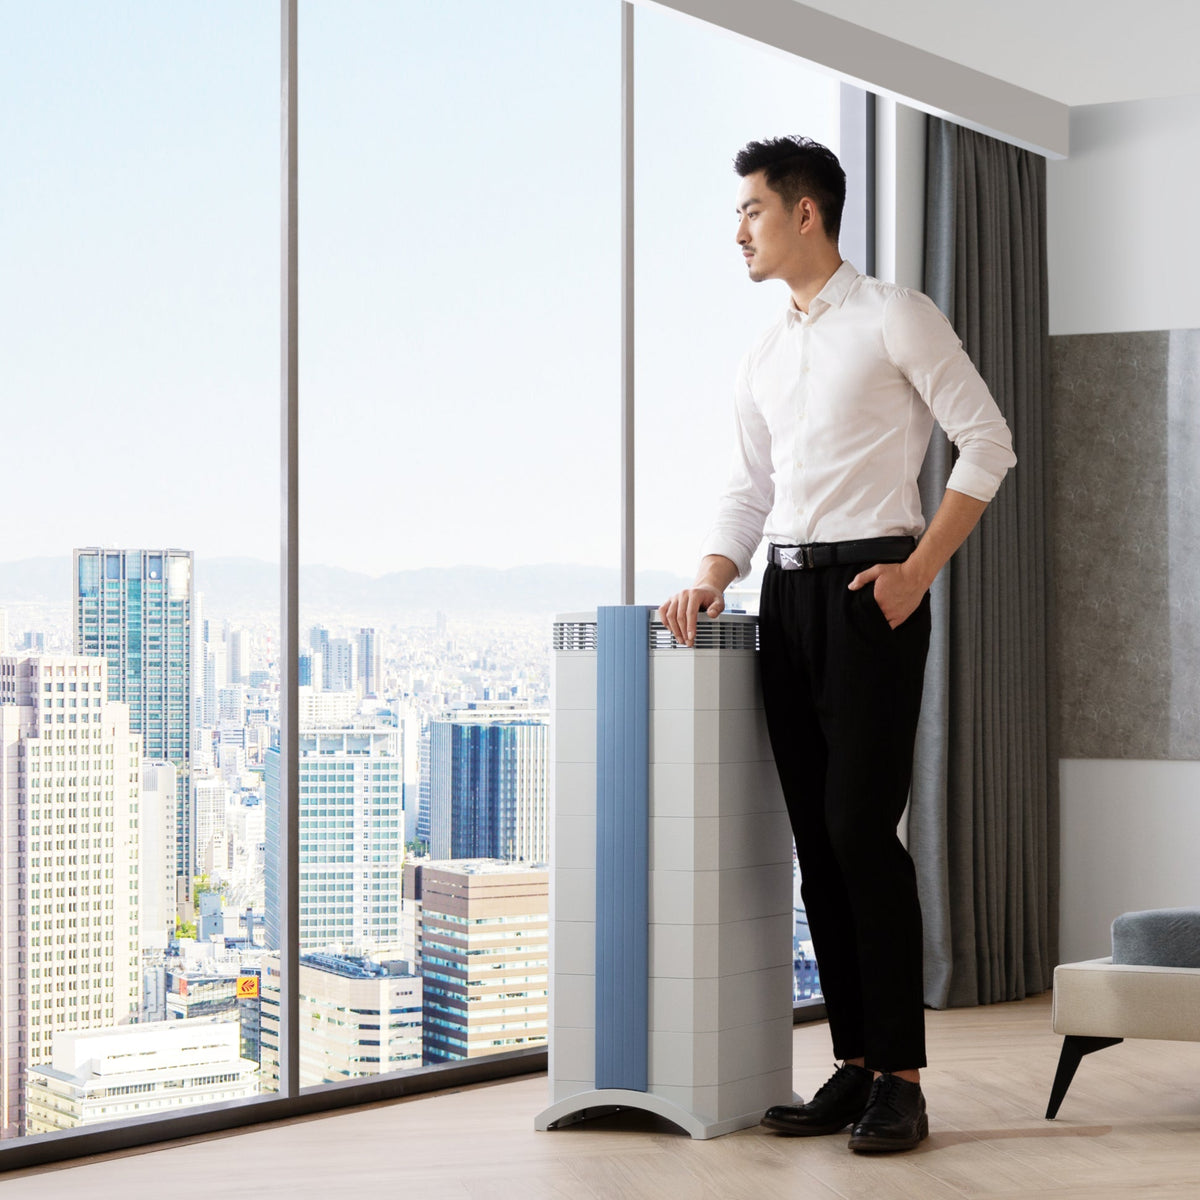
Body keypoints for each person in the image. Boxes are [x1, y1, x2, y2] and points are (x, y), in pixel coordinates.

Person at [657, 135, 1015, 1154]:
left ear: (806, 212)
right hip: (785, 594)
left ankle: (902, 1075)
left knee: (862, 830)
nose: (739, 232)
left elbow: (988, 439)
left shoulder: (895, 314)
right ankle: (855, 1064)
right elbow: (749, 490)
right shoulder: (763, 353)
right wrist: (711, 578)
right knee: (820, 843)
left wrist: (919, 572)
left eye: (752, 212)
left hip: (873, 592)